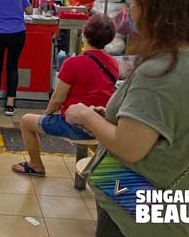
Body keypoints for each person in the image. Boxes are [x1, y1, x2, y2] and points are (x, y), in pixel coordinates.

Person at [65, 0, 189, 237]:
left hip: (136, 212)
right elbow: (163, 126)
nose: (131, 10)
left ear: (158, 8)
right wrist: (114, 116)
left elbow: (129, 148)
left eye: (136, 0)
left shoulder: (162, 71)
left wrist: (84, 115)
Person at [12, 15, 118, 176]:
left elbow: (57, 99)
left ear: (84, 34)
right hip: (102, 124)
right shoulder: (113, 63)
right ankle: (101, 166)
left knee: (27, 121)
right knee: (95, 139)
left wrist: (46, 115)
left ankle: (35, 165)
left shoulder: (73, 63)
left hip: (75, 125)